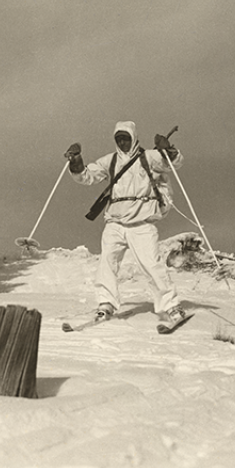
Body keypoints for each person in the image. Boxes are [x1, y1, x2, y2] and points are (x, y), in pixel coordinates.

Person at [65, 121, 187, 325]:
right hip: (115, 223)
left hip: (142, 223)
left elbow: (173, 163)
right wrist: (76, 161)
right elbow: (87, 176)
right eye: (119, 139)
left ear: (133, 137)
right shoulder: (110, 161)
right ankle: (105, 305)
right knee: (107, 263)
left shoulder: (149, 157)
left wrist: (168, 150)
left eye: (126, 138)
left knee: (152, 265)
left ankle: (171, 307)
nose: (122, 142)